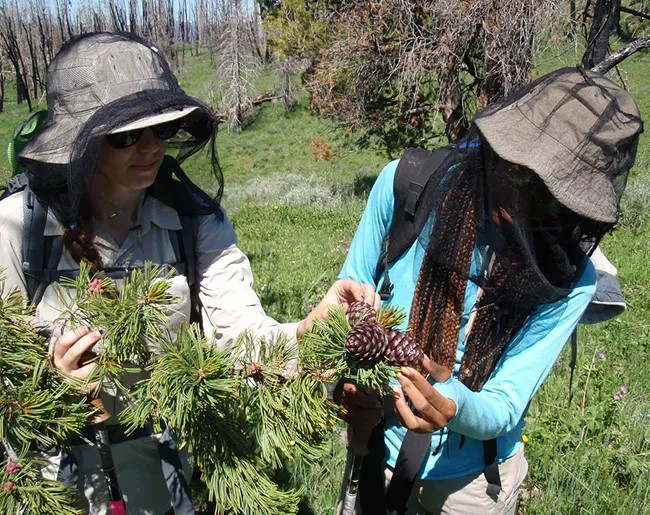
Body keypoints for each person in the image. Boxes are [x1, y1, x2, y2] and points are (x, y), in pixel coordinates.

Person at [0, 31, 378, 514]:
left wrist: (307, 332)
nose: (152, 147)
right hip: (56, 483)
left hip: (162, 473)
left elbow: (239, 332)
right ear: (83, 142)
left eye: (164, 129)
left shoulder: (195, 221)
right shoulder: (19, 229)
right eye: (126, 136)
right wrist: (51, 389)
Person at [338, 67, 643, 514]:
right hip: (377, 447)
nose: (522, 196)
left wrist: (453, 402)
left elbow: (503, 403)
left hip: (473, 484)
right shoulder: (409, 187)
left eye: (549, 191)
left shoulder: (569, 279)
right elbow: (345, 302)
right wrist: (344, 383)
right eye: (517, 171)